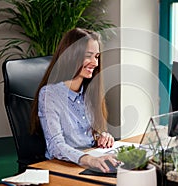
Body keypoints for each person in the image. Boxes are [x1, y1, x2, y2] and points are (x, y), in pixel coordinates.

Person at [30, 28, 116, 173]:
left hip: (90, 161)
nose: (95, 63)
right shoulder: (49, 94)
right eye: (89, 56)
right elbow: (55, 146)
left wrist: (102, 136)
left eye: (96, 56)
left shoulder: (89, 92)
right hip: (63, 167)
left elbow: (89, 134)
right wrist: (89, 159)